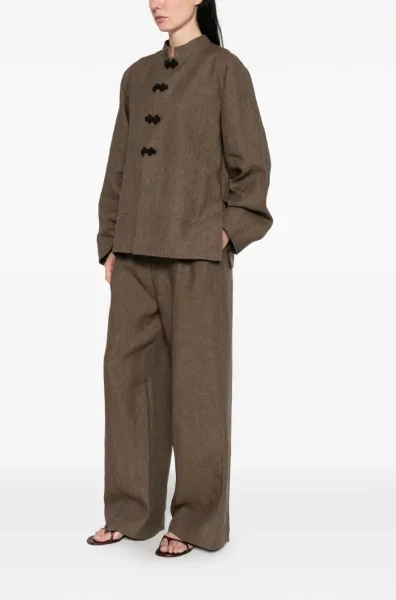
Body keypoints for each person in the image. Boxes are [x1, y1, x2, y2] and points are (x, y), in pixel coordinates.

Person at [87, 0, 272, 558]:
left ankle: (196, 520)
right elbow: (118, 165)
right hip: (133, 255)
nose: (157, 2)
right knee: (126, 384)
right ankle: (130, 511)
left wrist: (225, 232)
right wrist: (109, 242)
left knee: (198, 391)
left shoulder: (225, 71)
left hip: (196, 258)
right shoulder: (136, 75)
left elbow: (252, 167)